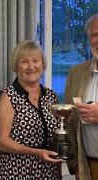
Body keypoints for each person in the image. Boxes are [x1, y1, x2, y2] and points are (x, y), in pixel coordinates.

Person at [0, 40, 62, 179]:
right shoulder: (8, 96)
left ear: (43, 64)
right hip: (17, 171)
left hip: (49, 171)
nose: (31, 66)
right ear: (16, 67)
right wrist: (35, 152)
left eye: (35, 60)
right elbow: (1, 142)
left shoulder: (51, 96)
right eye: (24, 62)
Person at [65, 13, 98, 180]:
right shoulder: (75, 73)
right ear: (88, 38)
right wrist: (74, 164)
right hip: (87, 168)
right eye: (95, 35)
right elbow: (69, 122)